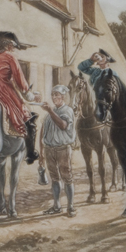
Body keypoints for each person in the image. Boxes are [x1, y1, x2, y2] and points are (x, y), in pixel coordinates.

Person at [0, 31, 39, 164]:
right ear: (9, 45)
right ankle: (31, 152)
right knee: (26, 116)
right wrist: (29, 94)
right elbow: (20, 80)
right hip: (3, 91)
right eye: (14, 46)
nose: (14, 49)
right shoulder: (10, 57)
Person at [40, 85, 78, 217]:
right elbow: (43, 132)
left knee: (67, 178)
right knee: (55, 179)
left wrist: (50, 111)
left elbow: (63, 125)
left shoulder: (67, 111)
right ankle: (57, 206)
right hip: (49, 149)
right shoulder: (49, 115)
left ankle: (71, 207)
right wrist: (41, 153)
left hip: (63, 149)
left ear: (63, 96)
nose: (54, 97)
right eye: (53, 95)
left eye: (57, 95)